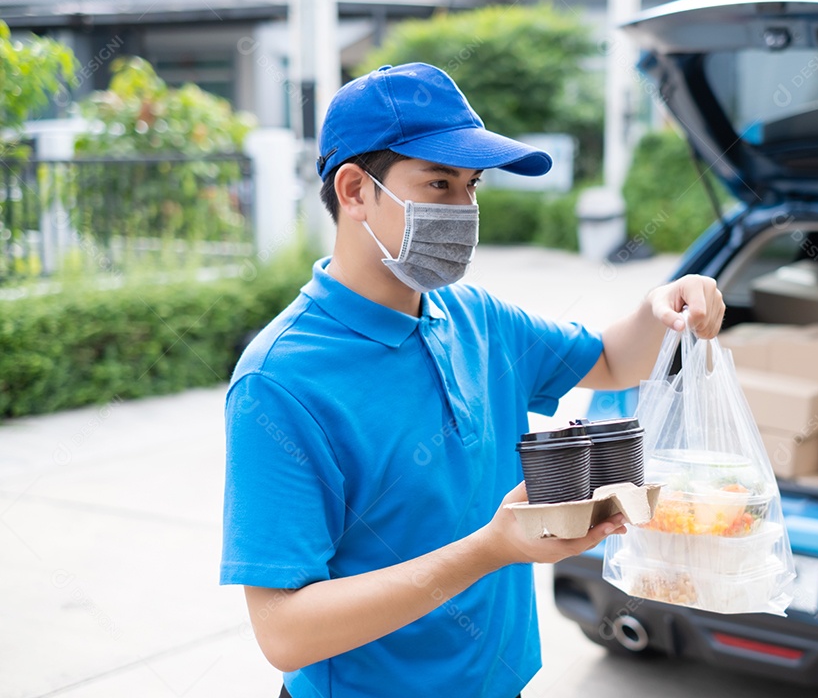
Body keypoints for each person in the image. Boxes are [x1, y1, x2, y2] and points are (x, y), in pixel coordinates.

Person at [221, 63, 725, 698]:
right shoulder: (281, 379)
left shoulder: (477, 318)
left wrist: (666, 304)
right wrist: (492, 548)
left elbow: (613, 360)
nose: (463, 210)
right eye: (438, 183)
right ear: (353, 190)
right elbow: (285, 633)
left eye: (472, 186)